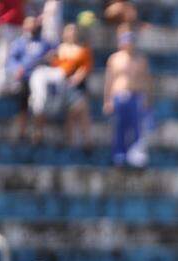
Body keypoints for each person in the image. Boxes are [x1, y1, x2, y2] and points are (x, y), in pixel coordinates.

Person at [28, 22, 92, 145]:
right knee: (39, 103)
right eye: (68, 31)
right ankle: (38, 134)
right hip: (55, 88)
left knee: (79, 108)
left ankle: (85, 141)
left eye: (73, 31)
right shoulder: (57, 49)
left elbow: (84, 70)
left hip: (72, 88)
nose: (71, 33)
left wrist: (72, 80)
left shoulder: (83, 50)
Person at [103, 27, 151, 166]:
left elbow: (146, 80)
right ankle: (119, 155)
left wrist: (147, 99)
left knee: (136, 128)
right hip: (119, 96)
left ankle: (136, 157)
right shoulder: (114, 59)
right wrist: (107, 100)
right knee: (119, 127)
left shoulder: (141, 60)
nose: (129, 44)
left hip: (136, 97)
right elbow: (109, 80)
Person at [6, 15, 53, 141]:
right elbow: (11, 60)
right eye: (29, 23)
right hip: (24, 78)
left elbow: (54, 54)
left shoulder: (44, 42)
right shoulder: (19, 43)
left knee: (40, 105)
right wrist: (17, 69)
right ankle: (21, 132)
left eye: (33, 23)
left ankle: (38, 133)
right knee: (22, 104)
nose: (31, 26)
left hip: (40, 78)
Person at [0, 0, 24, 96]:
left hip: (19, 24)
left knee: (16, 57)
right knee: (4, 56)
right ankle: (2, 85)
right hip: (5, 24)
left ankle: (14, 84)